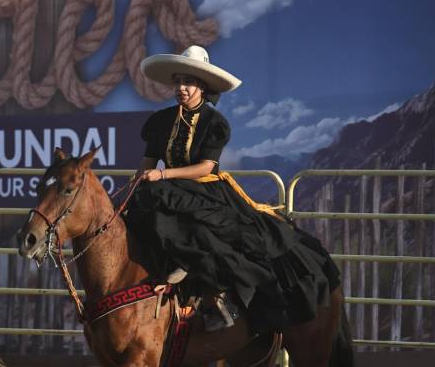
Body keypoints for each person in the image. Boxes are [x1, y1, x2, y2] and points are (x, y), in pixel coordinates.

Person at [125, 45, 341, 333]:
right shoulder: (160, 122)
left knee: (209, 232)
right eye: (178, 81)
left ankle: (213, 294)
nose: (182, 88)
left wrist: (163, 175)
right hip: (166, 188)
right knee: (135, 213)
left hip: (204, 189)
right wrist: (134, 185)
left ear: (201, 86)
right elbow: (146, 164)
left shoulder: (215, 123)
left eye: (188, 82)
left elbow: (205, 167)